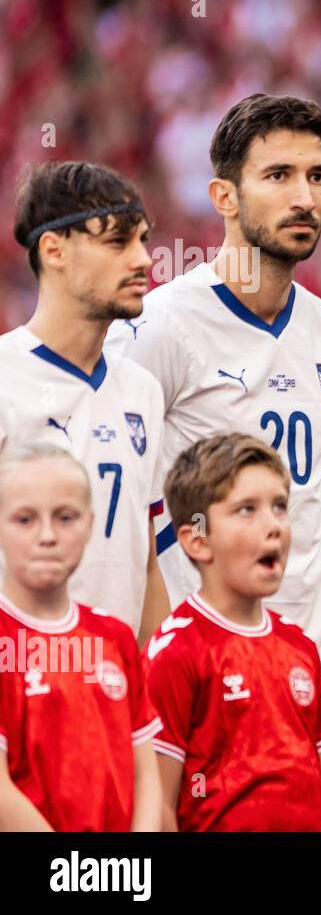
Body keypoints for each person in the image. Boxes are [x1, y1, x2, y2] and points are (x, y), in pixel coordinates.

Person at [105, 94, 321, 809]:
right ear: (224, 195)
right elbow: (127, 501)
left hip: (305, 669)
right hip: (198, 676)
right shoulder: (161, 328)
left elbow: (304, 507)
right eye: (277, 175)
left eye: (317, 175)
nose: (304, 195)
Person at [144, 433, 321, 832]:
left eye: (279, 507)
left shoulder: (300, 647)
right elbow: (157, 804)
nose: (273, 526)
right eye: (247, 510)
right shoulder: (174, 652)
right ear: (197, 539)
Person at [1, 161, 167, 639]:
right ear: (53, 250)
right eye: (118, 242)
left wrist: (150, 687)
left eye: (142, 241)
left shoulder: (143, 392)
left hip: (113, 696)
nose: (143, 261)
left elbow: (147, 564)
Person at [0, 444, 162, 831]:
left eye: (65, 517)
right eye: (24, 519)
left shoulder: (115, 638)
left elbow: (146, 775)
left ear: (90, 524)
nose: (47, 536)